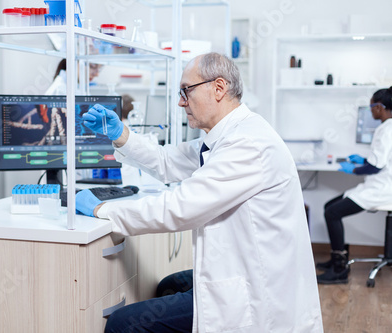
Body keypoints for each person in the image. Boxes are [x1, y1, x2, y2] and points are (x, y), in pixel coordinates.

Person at [77, 52, 323, 332]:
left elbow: (180, 209)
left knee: (124, 324)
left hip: (258, 290)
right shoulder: (225, 136)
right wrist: (120, 133)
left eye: (186, 91)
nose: (182, 102)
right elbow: (167, 161)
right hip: (240, 266)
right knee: (169, 286)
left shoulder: (248, 144)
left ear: (218, 88)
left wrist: (102, 210)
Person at [316, 87, 392, 284]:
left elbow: (376, 167)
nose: (370, 111)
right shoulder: (387, 127)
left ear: (381, 107)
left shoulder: (386, 129)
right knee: (328, 207)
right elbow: (380, 160)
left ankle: (340, 269)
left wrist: (354, 169)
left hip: (381, 190)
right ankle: (336, 259)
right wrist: (363, 160)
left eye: (372, 107)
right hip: (377, 185)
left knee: (332, 213)